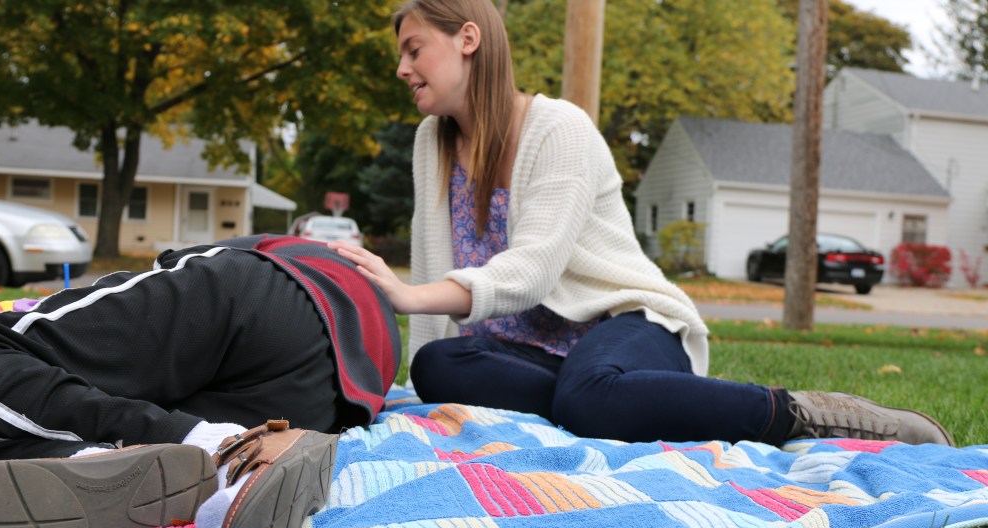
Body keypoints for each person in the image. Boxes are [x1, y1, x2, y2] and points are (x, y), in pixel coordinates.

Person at [330, 0, 953, 449]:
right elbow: (437, 263)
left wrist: (409, 295)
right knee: (439, 367)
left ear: (468, 38)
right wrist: (415, 393)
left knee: (587, 394)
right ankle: (615, 403)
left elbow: (531, 270)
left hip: (626, 324)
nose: (402, 68)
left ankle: (799, 412)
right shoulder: (429, 142)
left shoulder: (558, 128)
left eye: (414, 50)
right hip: (529, 351)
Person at [0, 234, 400, 528]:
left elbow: (165, 272)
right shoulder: (347, 269)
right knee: (32, 394)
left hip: (270, 289)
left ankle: (208, 443)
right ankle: (219, 457)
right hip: (330, 394)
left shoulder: (259, 253)